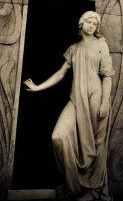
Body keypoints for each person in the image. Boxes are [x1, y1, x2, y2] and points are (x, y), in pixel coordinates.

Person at [24, 11, 115, 201]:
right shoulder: (73, 49)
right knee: (58, 137)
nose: (91, 25)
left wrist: (105, 101)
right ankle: (74, 184)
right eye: (88, 22)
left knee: (94, 147)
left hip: (95, 98)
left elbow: (107, 76)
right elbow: (61, 73)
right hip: (76, 99)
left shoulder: (101, 44)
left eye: (94, 23)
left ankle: (93, 189)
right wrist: (38, 87)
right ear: (81, 24)